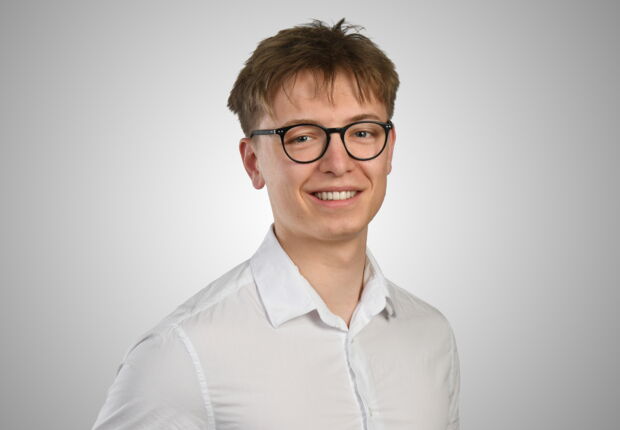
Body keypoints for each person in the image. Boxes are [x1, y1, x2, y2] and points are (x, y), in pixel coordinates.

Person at [92, 19, 460, 430]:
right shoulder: (181, 356)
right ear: (253, 162)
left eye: (361, 132)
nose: (338, 163)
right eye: (302, 137)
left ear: (388, 150)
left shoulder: (431, 335)